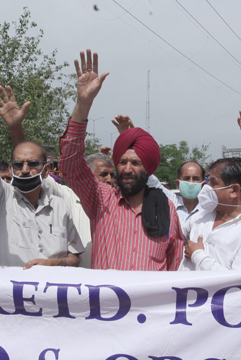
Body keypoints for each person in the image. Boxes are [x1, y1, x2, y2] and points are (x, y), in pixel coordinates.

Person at [59, 49, 183, 271]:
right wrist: (83, 104)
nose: (127, 169)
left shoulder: (167, 210)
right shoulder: (101, 199)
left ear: (149, 168)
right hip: (106, 306)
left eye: (136, 163)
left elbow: (173, 266)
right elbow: (70, 164)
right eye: (122, 162)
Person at [0, 52, 83, 268]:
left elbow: (75, 256)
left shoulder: (60, 207)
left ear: (46, 170)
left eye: (32, 164)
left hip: (50, 298)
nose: (24, 170)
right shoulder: (0, 200)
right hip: (7, 299)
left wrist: (52, 264)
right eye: (18, 164)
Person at [181, 158, 241, 270]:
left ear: (234, 190)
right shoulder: (204, 214)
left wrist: (197, 255)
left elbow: (239, 281)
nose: (206, 185)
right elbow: (176, 233)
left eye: (213, 182)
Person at [173, 160, 204, 229]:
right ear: (178, 184)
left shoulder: (208, 211)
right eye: (186, 178)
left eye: (196, 179)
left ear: (203, 185)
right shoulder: (169, 206)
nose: (191, 182)